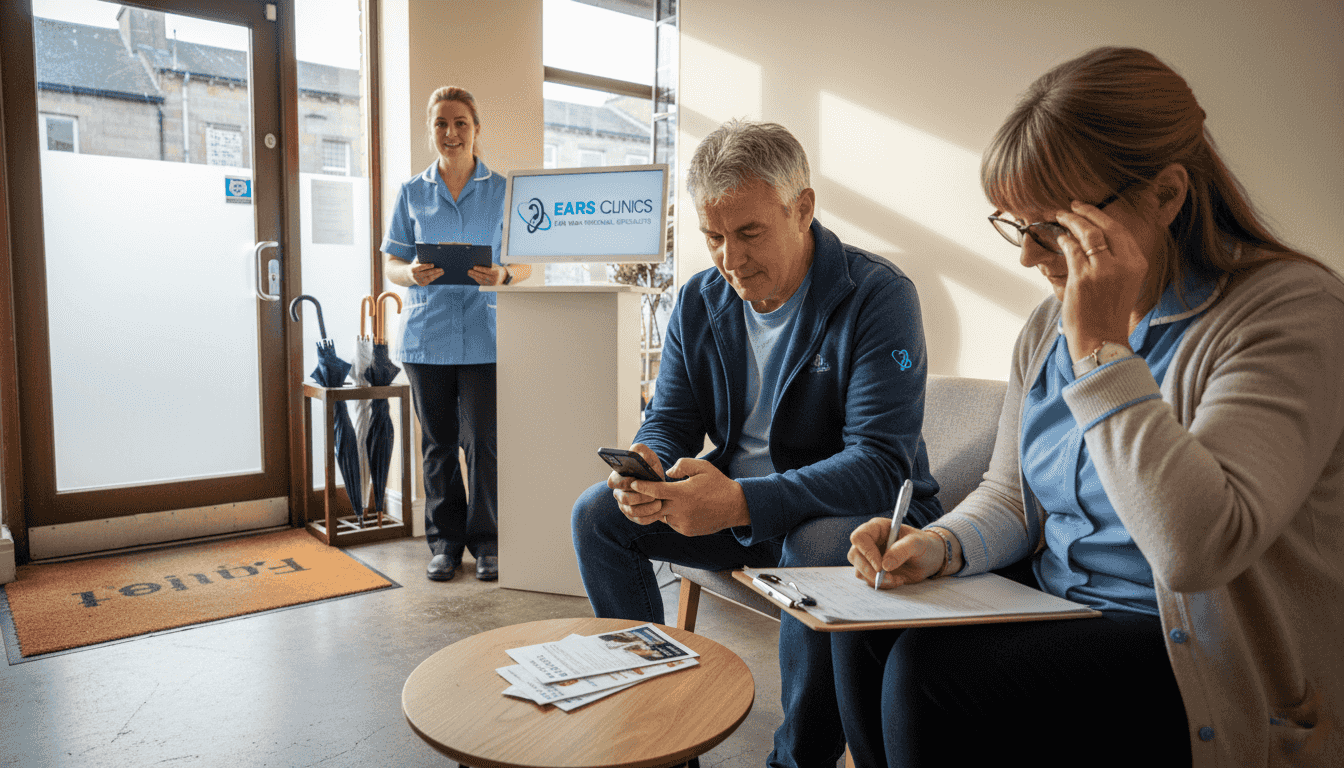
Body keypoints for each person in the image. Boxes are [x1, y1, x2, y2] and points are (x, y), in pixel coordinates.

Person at [833, 47, 1343, 767]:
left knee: (932, 678)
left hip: (1195, 652)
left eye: (1055, 227)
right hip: (1062, 608)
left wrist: (1104, 351)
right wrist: (939, 544)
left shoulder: (1290, 314)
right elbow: (1011, 495)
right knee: (865, 632)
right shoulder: (1047, 327)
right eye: (1016, 225)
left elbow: (1197, 552)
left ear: (1166, 195)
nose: (1028, 256)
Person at [571, 119, 942, 768]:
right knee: (598, 518)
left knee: (818, 544)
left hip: (852, 516)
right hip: (740, 511)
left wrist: (740, 500)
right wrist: (651, 463)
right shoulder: (700, 300)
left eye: (748, 233)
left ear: (802, 209)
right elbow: (671, 416)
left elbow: (881, 464)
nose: (730, 259)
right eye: (713, 237)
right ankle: (661, 738)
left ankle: (795, 761)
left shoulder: (878, 297)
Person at [381, 86, 530, 582]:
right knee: (438, 445)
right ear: (432, 129)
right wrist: (411, 275)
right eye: (442, 123)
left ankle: (488, 543)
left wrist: (504, 276)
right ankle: (445, 545)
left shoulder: (504, 190)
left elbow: (524, 261)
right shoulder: (412, 192)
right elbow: (392, 263)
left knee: (483, 443)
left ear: (476, 128)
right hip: (427, 336)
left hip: (487, 336)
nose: (451, 132)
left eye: (461, 122)